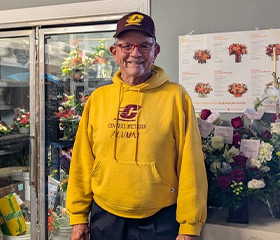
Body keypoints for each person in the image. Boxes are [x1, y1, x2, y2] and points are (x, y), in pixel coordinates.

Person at [66, 11, 207, 240]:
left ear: (156, 50)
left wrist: (190, 226)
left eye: (144, 46)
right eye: (127, 46)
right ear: (114, 52)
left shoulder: (176, 97)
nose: (135, 53)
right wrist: (78, 217)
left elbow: (191, 164)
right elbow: (82, 161)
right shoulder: (98, 99)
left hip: (159, 219)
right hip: (104, 216)